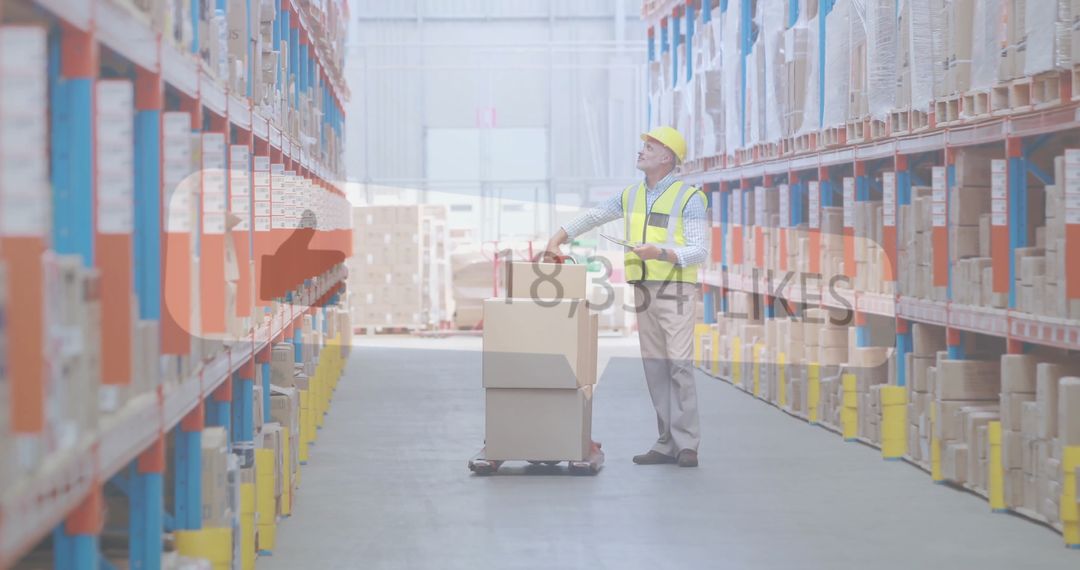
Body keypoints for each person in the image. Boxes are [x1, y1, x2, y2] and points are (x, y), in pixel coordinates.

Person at [542, 126, 708, 468]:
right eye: (643, 146)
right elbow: (595, 215)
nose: (642, 150)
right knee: (655, 366)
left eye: (650, 147)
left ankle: (687, 443)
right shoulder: (631, 195)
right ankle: (667, 442)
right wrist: (558, 237)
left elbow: (699, 249)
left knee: (678, 364)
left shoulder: (689, 198)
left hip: (676, 287)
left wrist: (660, 253)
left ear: (667, 157)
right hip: (643, 288)